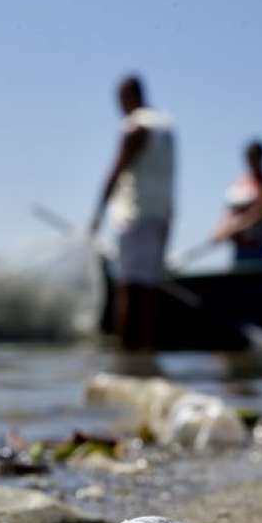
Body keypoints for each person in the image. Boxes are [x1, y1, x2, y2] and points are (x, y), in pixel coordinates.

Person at [90, 75, 175, 350]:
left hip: (135, 216)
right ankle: (146, 354)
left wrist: (97, 213)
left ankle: (126, 358)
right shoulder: (166, 126)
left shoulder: (135, 127)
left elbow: (117, 170)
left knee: (128, 289)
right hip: (162, 214)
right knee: (148, 290)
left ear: (129, 97)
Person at [212, 140, 262, 267]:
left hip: (258, 248)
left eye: (255, 158)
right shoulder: (240, 183)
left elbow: (260, 213)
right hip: (239, 250)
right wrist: (221, 230)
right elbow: (229, 212)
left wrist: (234, 228)